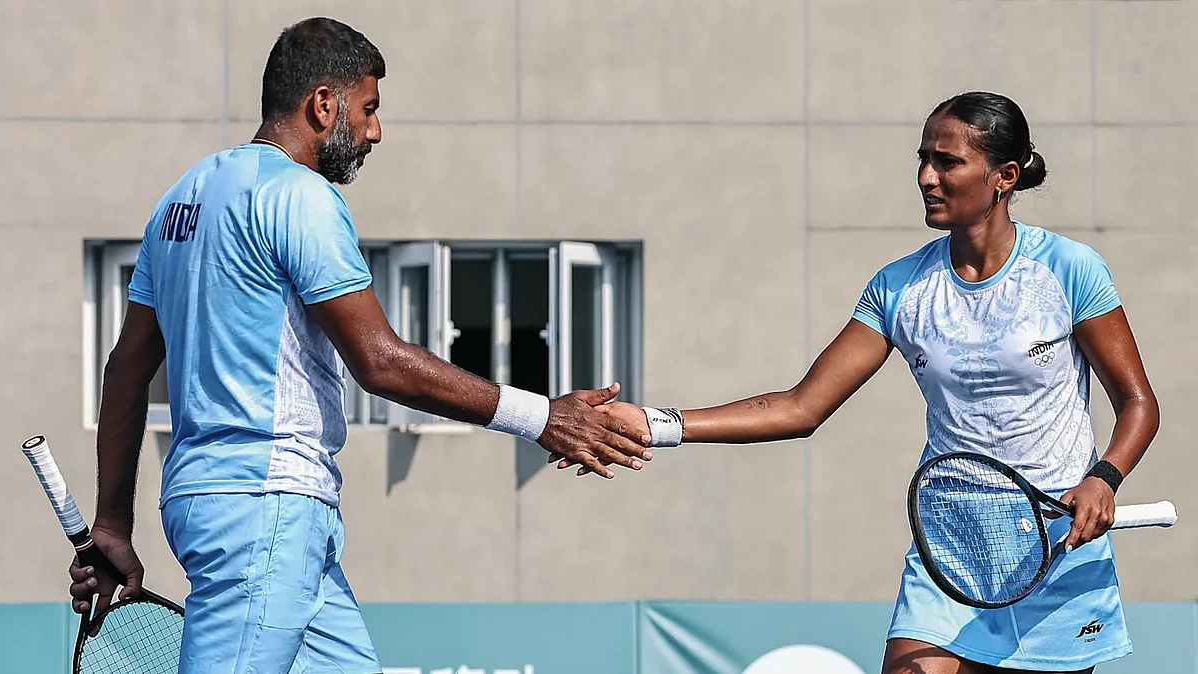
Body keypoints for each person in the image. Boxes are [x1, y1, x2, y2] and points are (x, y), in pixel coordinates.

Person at [67, 17, 651, 674]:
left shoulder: (181, 198)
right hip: (266, 510)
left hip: (237, 510)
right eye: (369, 108)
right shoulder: (300, 196)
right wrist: (542, 417)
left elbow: (125, 370)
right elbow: (377, 361)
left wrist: (113, 522)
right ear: (323, 104)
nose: (375, 131)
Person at [579, 91, 1160, 674]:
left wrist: (1103, 478)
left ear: (1003, 176)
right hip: (950, 547)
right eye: (922, 159)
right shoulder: (898, 287)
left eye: (947, 162)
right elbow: (800, 407)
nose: (926, 177)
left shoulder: (1069, 269)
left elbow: (1138, 403)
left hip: (1058, 550)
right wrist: (656, 425)